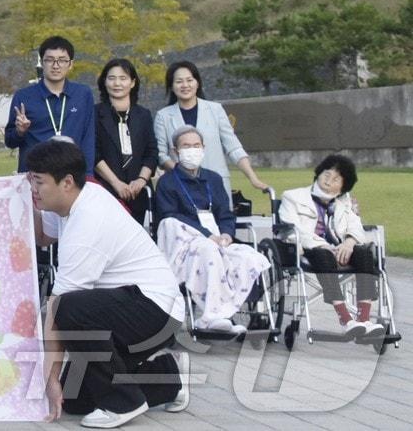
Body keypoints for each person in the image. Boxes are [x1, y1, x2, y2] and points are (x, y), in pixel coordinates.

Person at [30, 139, 186, 428]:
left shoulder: (88, 220)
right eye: (30, 181)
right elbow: (41, 236)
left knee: (68, 307)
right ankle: (166, 377)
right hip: (130, 309)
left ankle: (123, 403)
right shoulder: (74, 200)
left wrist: (49, 378)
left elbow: (57, 308)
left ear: (66, 182)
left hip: (154, 310)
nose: (33, 190)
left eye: (38, 182)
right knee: (75, 399)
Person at [153, 126, 270, 334]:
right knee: (208, 251)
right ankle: (211, 316)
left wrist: (226, 233)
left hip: (219, 239)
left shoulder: (214, 179)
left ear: (203, 148)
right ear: (175, 151)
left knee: (248, 257)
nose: (192, 150)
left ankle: (230, 313)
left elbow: (225, 213)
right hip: (187, 243)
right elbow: (171, 218)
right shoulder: (166, 183)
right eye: (186, 146)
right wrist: (208, 236)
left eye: (196, 145)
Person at [279, 155, 384, 339]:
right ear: (318, 174)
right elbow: (295, 230)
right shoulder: (292, 196)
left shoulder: (344, 202)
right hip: (310, 249)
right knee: (323, 255)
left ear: (343, 187)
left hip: (340, 249)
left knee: (365, 252)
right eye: (326, 175)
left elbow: (356, 227)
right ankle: (345, 319)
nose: (328, 181)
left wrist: (350, 243)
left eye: (336, 179)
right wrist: (327, 246)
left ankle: (363, 320)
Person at [153, 61, 269, 197]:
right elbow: (161, 155)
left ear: (197, 83)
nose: (185, 85)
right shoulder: (163, 116)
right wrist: (184, 174)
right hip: (181, 186)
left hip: (216, 185)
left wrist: (252, 177)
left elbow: (234, 147)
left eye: (189, 80)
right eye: (179, 81)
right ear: (171, 86)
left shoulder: (216, 110)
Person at [5, 36, 96, 173]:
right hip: (35, 176)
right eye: (50, 60)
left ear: (70, 64)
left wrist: (88, 176)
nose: (55, 65)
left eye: (62, 60)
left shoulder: (83, 94)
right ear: (42, 63)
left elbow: (88, 139)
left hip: (72, 174)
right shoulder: (24, 96)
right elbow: (10, 141)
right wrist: (20, 131)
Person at [93, 58, 158, 224]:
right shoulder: (94, 113)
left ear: (133, 82)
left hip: (139, 192)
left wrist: (141, 180)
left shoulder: (143, 115)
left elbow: (151, 152)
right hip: (106, 190)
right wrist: (117, 184)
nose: (117, 83)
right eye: (111, 78)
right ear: (104, 82)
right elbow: (94, 153)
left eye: (123, 78)